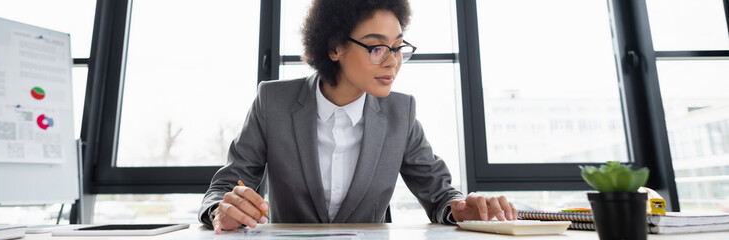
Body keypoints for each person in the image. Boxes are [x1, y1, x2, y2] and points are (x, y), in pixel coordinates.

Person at [199, 0, 517, 233]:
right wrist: (221, 210)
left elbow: (440, 195)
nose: (393, 62)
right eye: (377, 48)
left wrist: (461, 209)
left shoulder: (400, 112)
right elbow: (227, 184)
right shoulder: (274, 101)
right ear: (335, 47)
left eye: (398, 48)